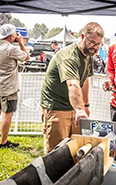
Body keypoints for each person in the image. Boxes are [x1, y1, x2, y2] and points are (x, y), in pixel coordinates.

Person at [40, 22, 104, 155]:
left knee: (75, 148)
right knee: (56, 152)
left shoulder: (88, 55)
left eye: (98, 44)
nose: (95, 47)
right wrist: (80, 109)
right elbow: (73, 84)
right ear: (82, 37)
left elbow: (84, 79)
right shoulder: (69, 57)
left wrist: (85, 105)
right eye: (92, 42)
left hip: (74, 107)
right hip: (56, 106)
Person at [0, 24, 30, 148]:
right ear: (11, 36)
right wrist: (21, 43)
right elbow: (26, 57)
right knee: (7, 114)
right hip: (8, 87)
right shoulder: (11, 49)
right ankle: (3, 142)